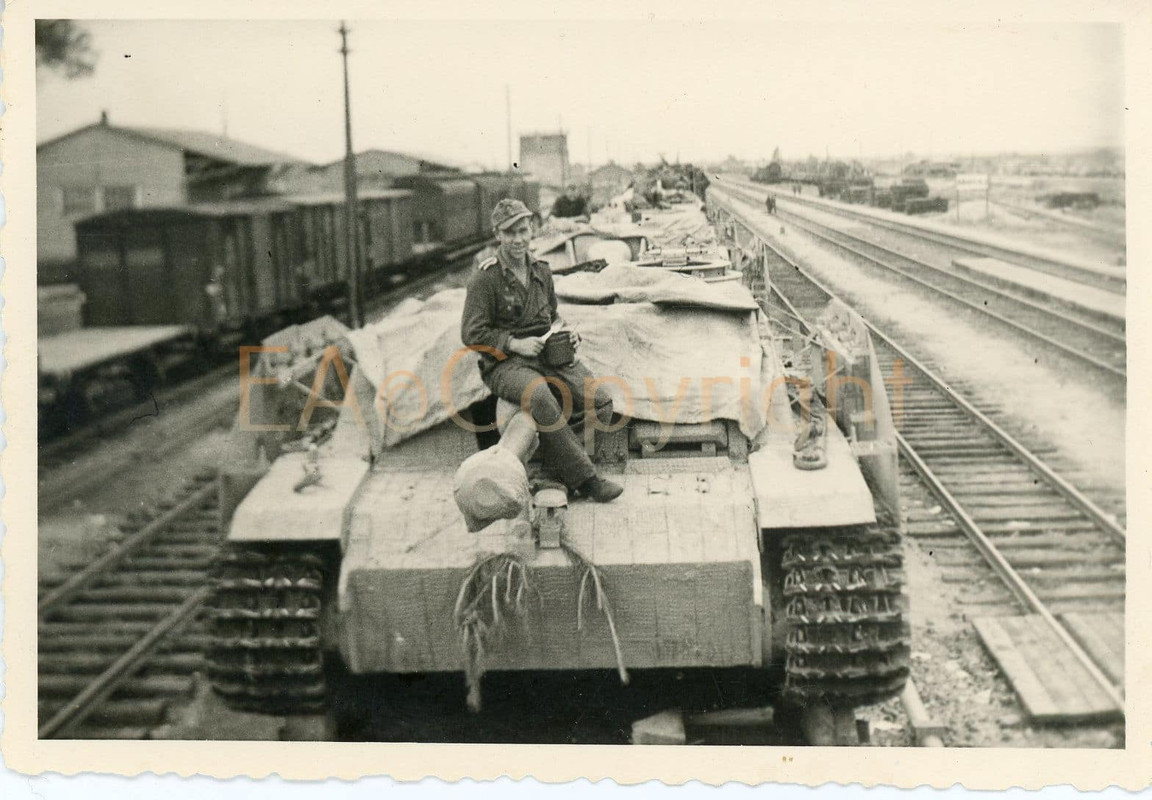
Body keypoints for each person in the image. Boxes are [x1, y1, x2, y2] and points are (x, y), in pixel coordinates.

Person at [461, 198, 623, 503]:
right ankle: (588, 480)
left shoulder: (541, 271)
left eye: (523, 230)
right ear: (498, 234)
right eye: (510, 233)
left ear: (532, 229)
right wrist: (512, 343)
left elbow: (552, 316)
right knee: (539, 395)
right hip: (505, 364)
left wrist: (567, 333)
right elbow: (471, 333)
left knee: (600, 402)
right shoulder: (486, 278)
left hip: (548, 355)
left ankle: (553, 472)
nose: (519, 239)